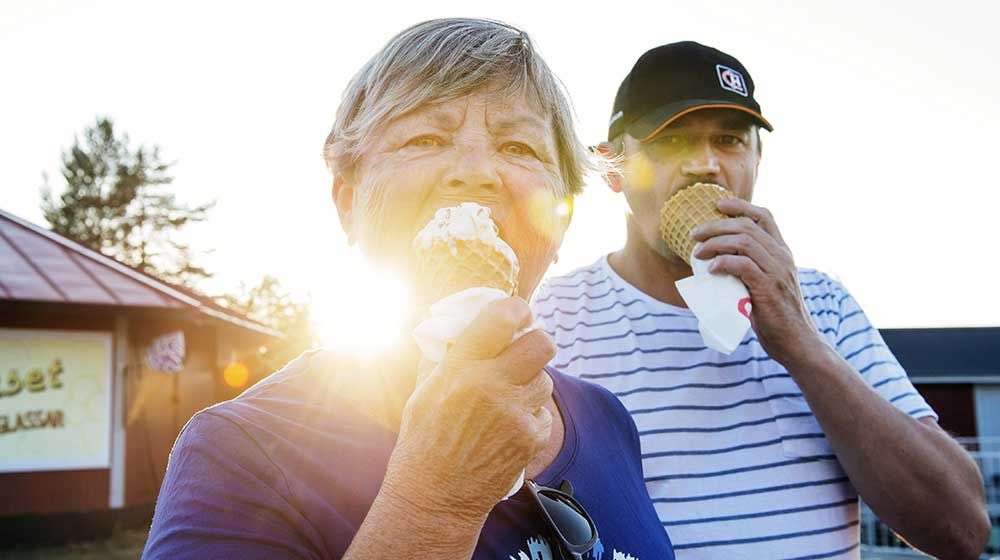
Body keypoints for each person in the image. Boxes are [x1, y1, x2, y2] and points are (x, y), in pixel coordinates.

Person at [142, 19, 675, 560]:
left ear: (560, 219)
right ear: (349, 203)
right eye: (425, 138)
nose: (475, 171)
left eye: (517, 145)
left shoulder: (606, 419)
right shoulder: (241, 451)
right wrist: (436, 502)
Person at [531, 41, 990, 559]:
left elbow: (961, 531)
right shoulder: (554, 318)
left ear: (756, 160)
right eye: (672, 140)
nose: (704, 165)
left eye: (728, 140)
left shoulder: (823, 304)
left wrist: (799, 341)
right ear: (614, 169)